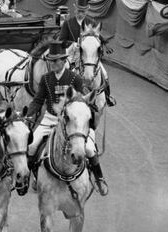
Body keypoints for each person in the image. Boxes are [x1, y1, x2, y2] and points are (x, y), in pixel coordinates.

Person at [26, 42, 109, 196]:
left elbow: (86, 98)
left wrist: (91, 111)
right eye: (50, 60)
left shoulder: (75, 78)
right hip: (51, 119)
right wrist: (29, 115)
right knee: (31, 146)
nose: (52, 64)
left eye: (55, 61)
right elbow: (38, 100)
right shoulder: (45, 79)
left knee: (89, 149)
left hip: (74, 123)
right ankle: (29, 177)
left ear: (64, 61)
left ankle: (99, 178)